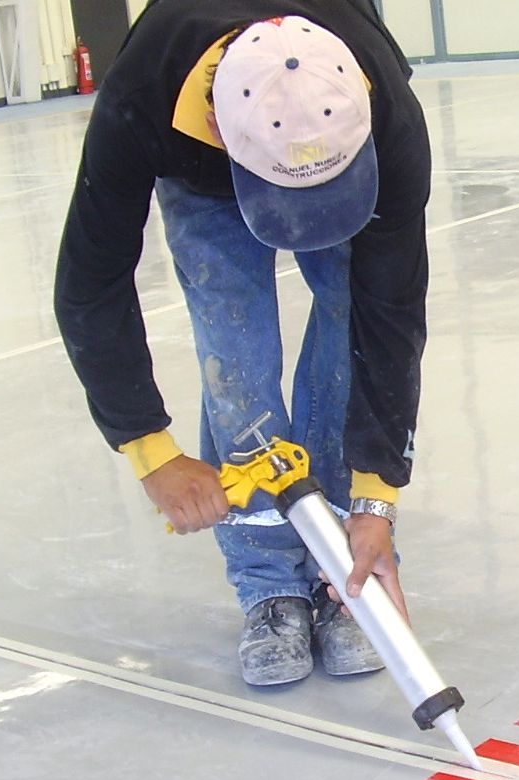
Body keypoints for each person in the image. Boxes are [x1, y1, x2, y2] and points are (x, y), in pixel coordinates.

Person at [53, 1, 430, 687]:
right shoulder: (145, 97)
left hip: (339, 143)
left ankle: (340, 557)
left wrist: (379, 500)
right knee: (235, 347)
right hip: (201, 164)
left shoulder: (382, 106)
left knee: (354, 314)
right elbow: (90, 283)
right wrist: (152, 451)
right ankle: (268, 585)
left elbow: (392, 312)